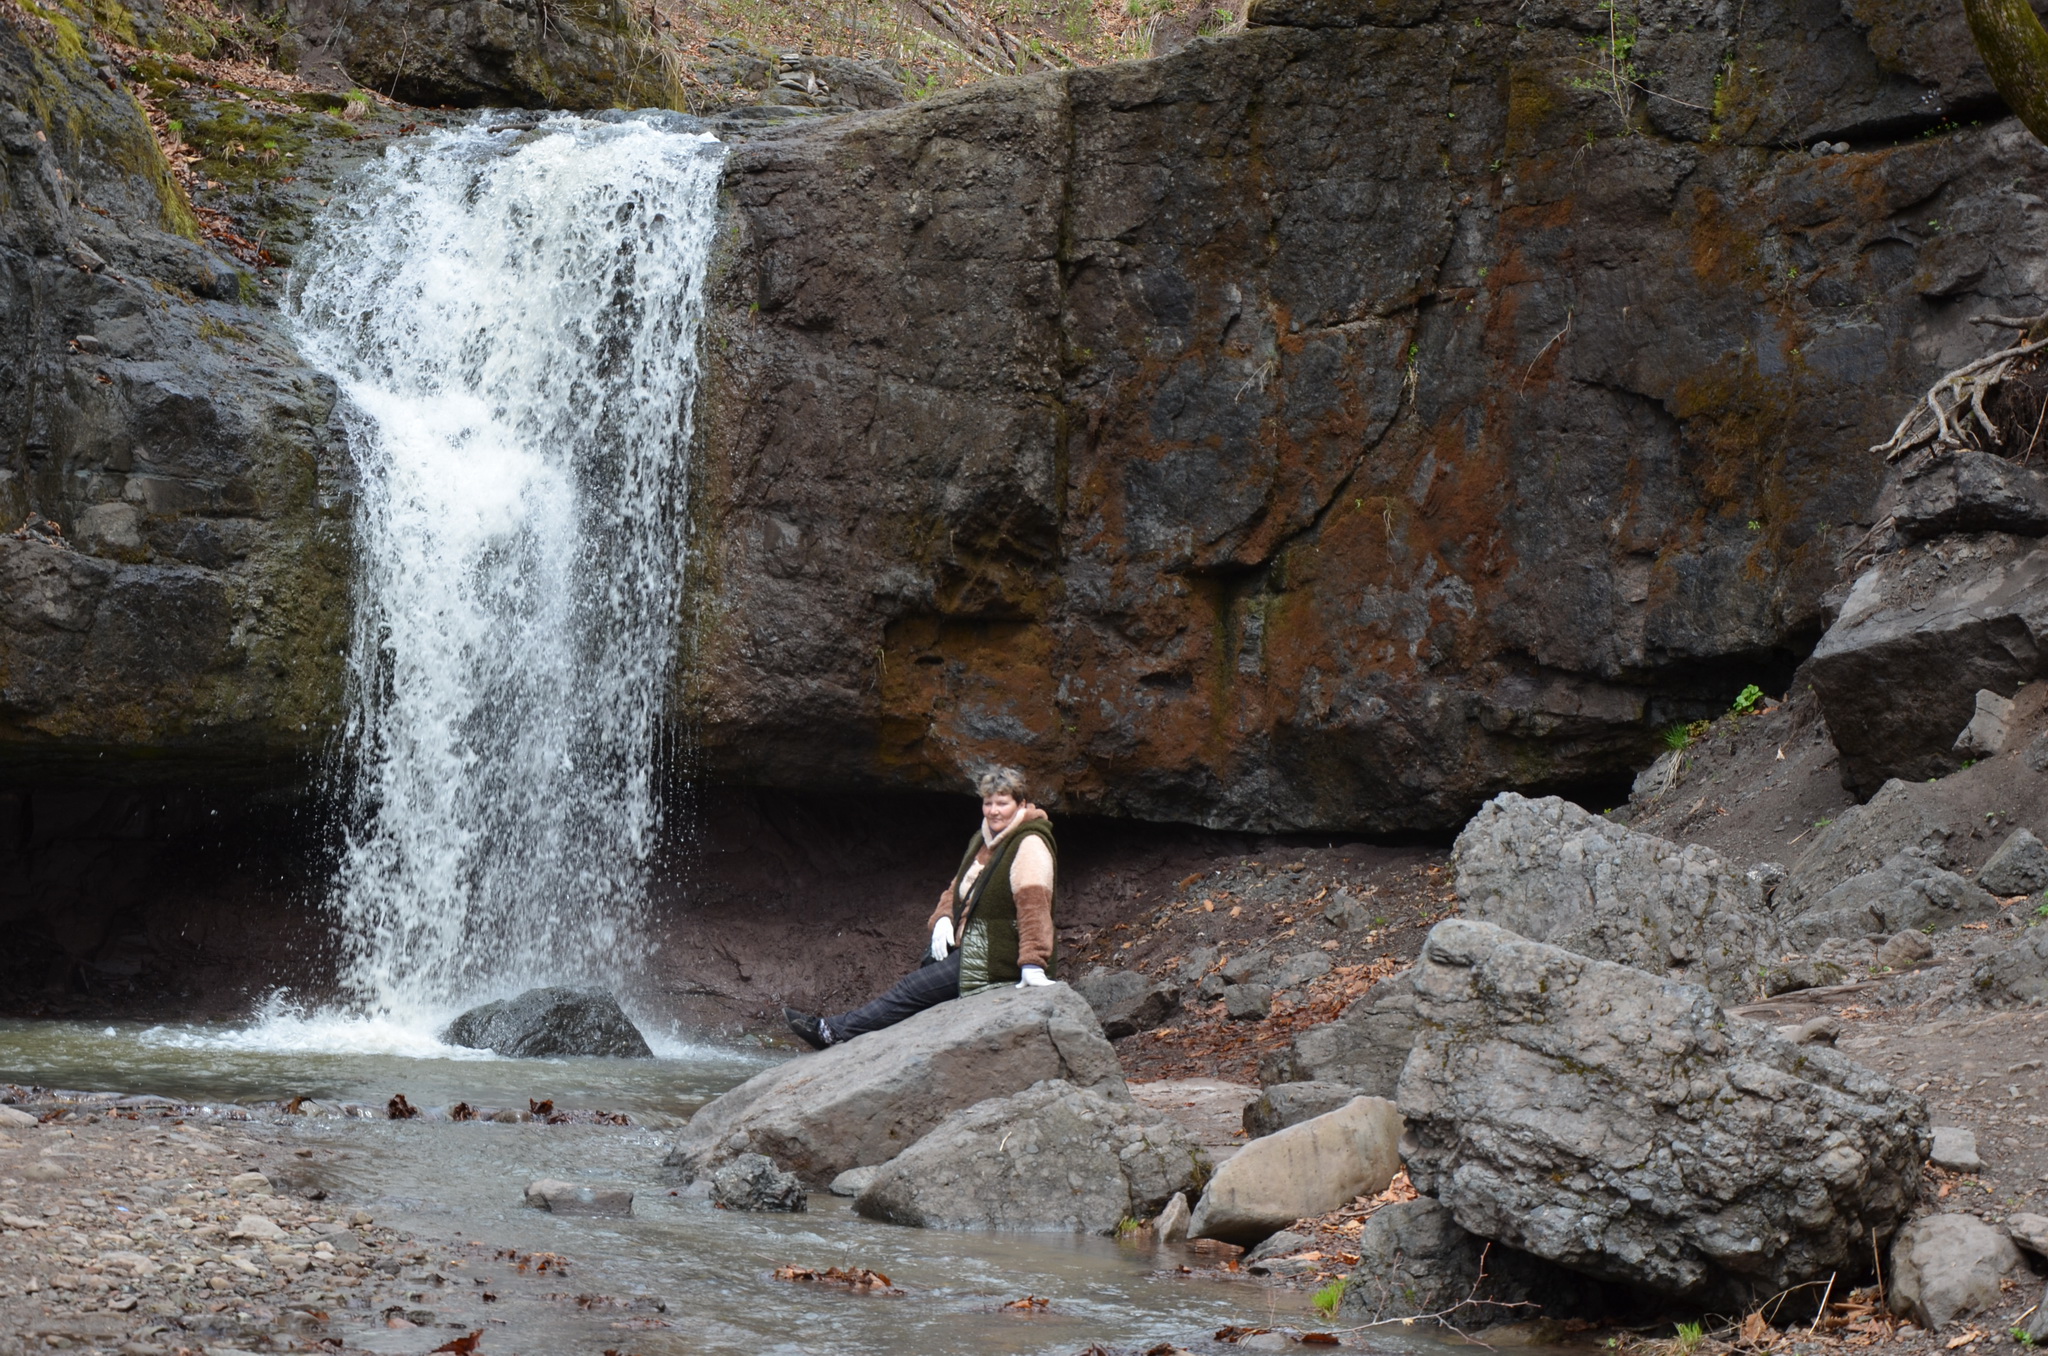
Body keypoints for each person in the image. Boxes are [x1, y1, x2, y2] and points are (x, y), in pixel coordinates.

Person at [783, 766, 1057, 1049]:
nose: (993, 811)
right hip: (973, 946)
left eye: (1002, 803)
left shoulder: (1029, 844)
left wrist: (1033, 963)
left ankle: (832, 1032)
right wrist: (942, 920)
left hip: (1000, 954)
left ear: (1021, 804)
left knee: (910, 989)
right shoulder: (986, 839)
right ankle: (839, 1030)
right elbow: (956, 888)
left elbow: (1034, 909)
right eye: (988, 803)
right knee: (919, 984)